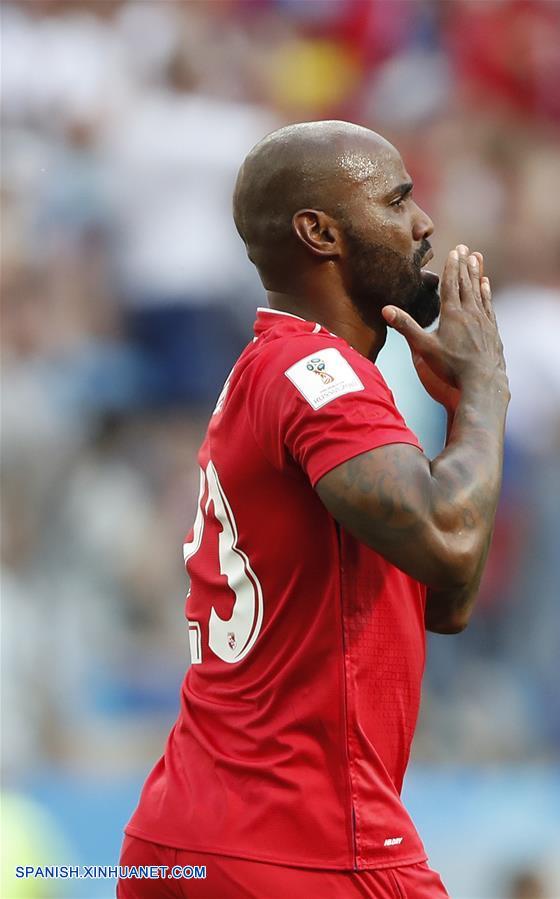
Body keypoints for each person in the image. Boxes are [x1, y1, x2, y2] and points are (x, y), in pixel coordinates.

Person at [118, 120, 509, 899]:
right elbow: (450, 544)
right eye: (397, 200)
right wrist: (490, 398)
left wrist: (464, 412)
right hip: (310, 838)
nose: (424, 224)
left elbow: (446, 601)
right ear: (320, 232)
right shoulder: (322, 376)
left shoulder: (272, 367)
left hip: (186, 831)